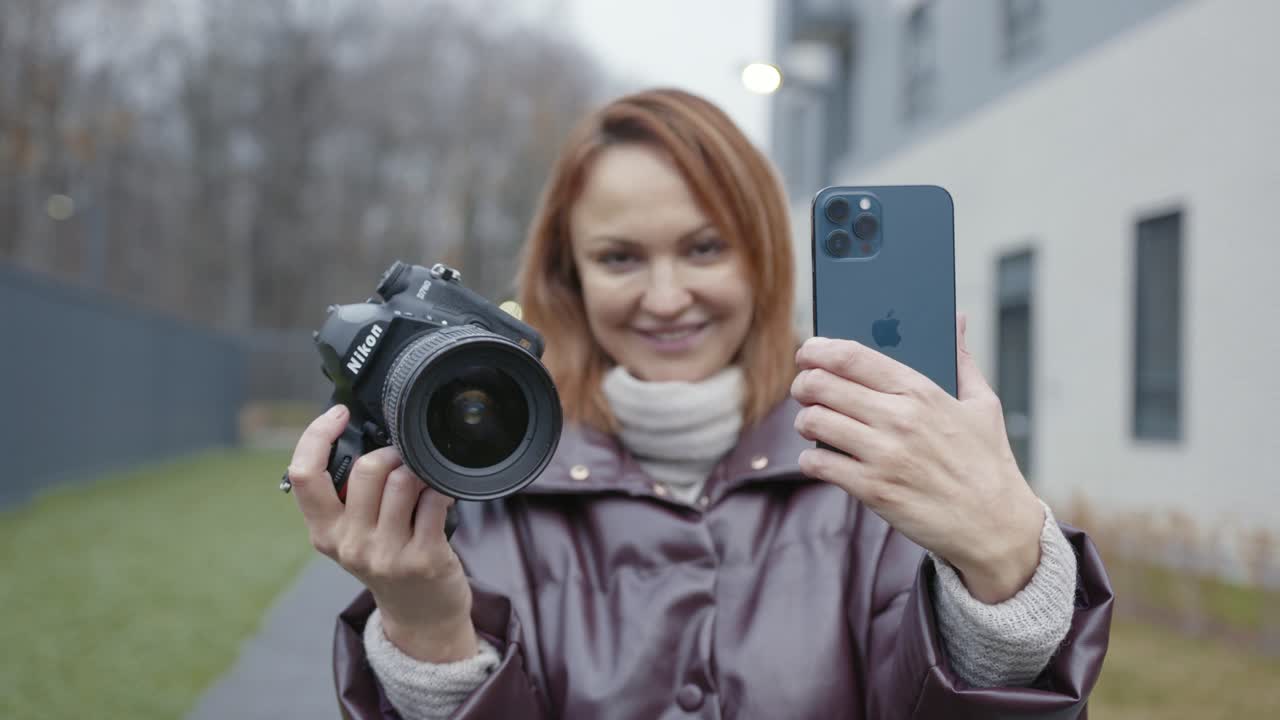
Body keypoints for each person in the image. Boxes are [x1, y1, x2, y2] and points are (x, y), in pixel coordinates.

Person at [286, 88, 1112, 719]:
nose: (667, 297)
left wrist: (1007, 578)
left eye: (704, 248)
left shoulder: (876, 467)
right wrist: (426, 627)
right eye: (619, 258)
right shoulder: (482, 490)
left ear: (761, 257)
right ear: (568, 279)